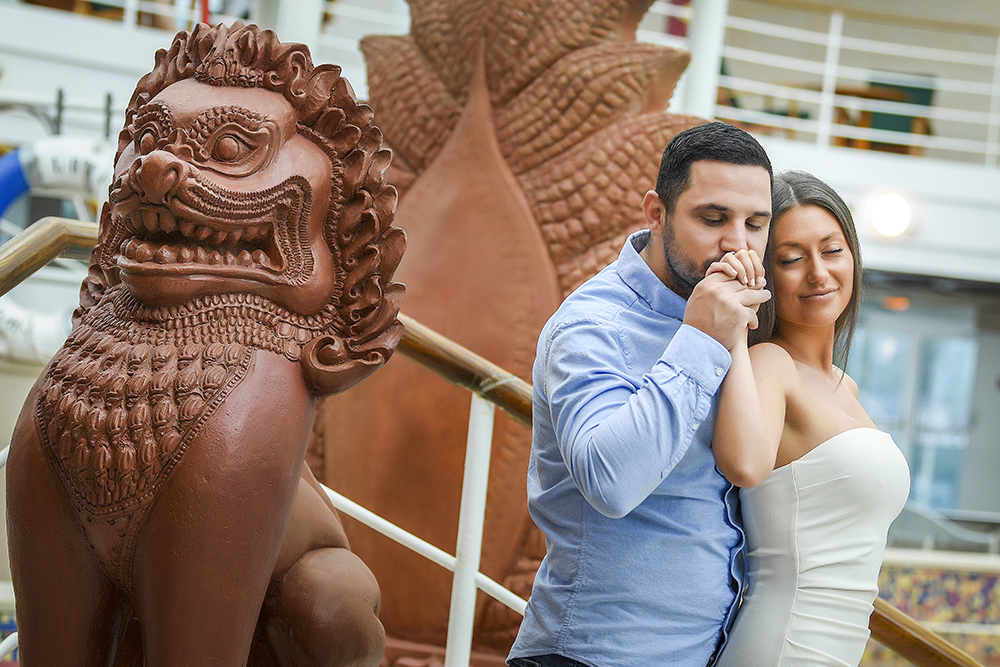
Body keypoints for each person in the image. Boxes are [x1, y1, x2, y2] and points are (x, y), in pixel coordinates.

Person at [507, 121, 774, 667]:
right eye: (713, 218)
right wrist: (701, 338)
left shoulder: (733, 316)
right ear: (656, 213)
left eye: (756, 224)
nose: (737, 244)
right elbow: (610, 483)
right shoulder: (592, 326)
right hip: (591, 655)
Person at [710, 170, 910, 666]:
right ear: (764, 273)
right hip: (785, 645)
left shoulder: (845, 386)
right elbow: (744, 465)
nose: (818, 273)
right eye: (792, 259)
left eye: (832, 250)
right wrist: (735, 327)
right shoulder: (770, 363)